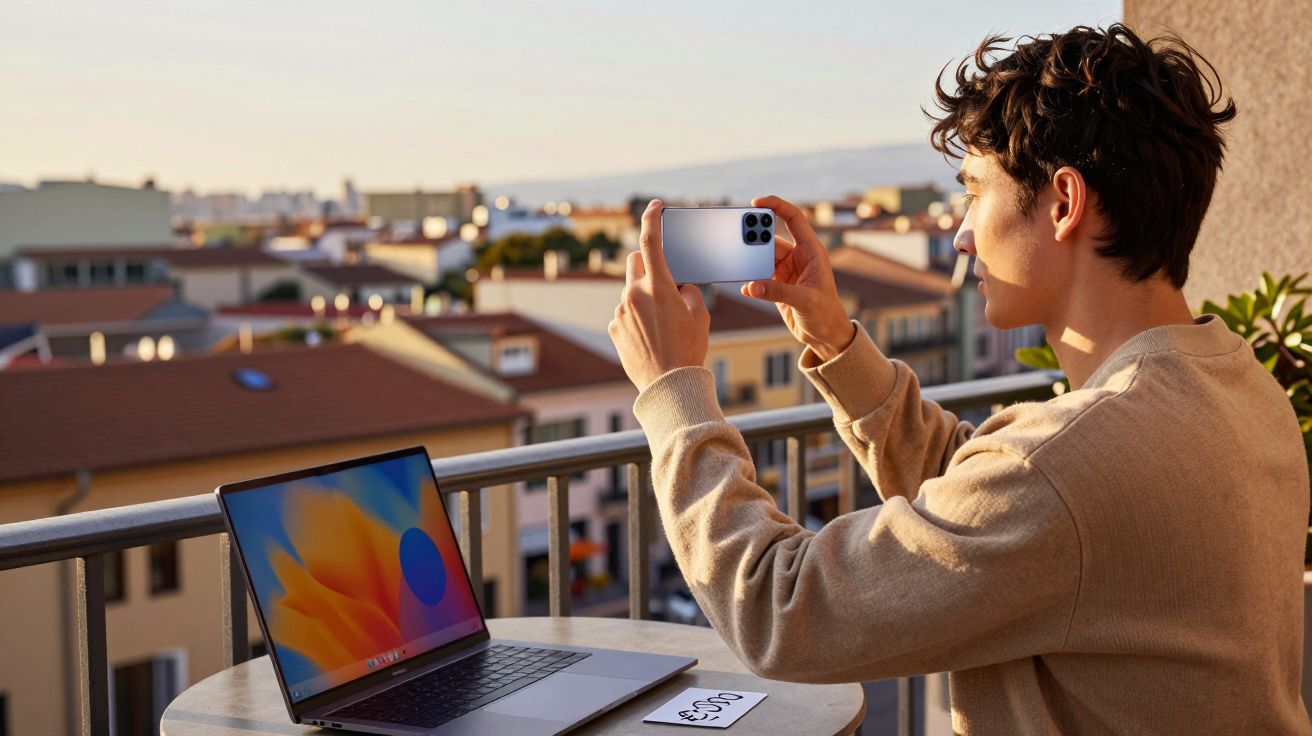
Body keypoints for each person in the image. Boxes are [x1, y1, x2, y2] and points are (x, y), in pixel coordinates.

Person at [607, 23, 1310, 734]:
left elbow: (780, 610)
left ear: (1064, 203)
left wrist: (674, 390)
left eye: (975, 192)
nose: (961, 234)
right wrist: (832, 339)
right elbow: (990, 504)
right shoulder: (1241, 388)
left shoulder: (1063, 467)